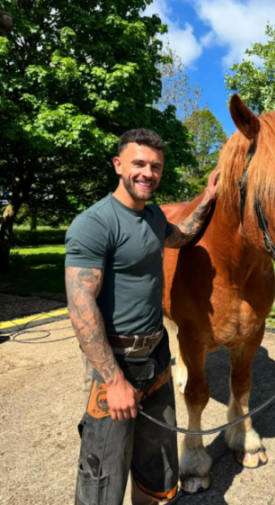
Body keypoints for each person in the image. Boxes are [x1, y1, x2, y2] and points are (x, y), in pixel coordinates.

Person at [65, 128, 218, 505]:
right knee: (104, 473)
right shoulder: (94, 223)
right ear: (118, 165)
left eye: (155, 166)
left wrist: (209, 196)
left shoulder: (152, 217)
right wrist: (113, 379)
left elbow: (183, 235)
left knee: (157, 466)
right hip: (116, 364)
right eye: (139, 164)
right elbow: (80, 305)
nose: (148, 173)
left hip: (157, 358)